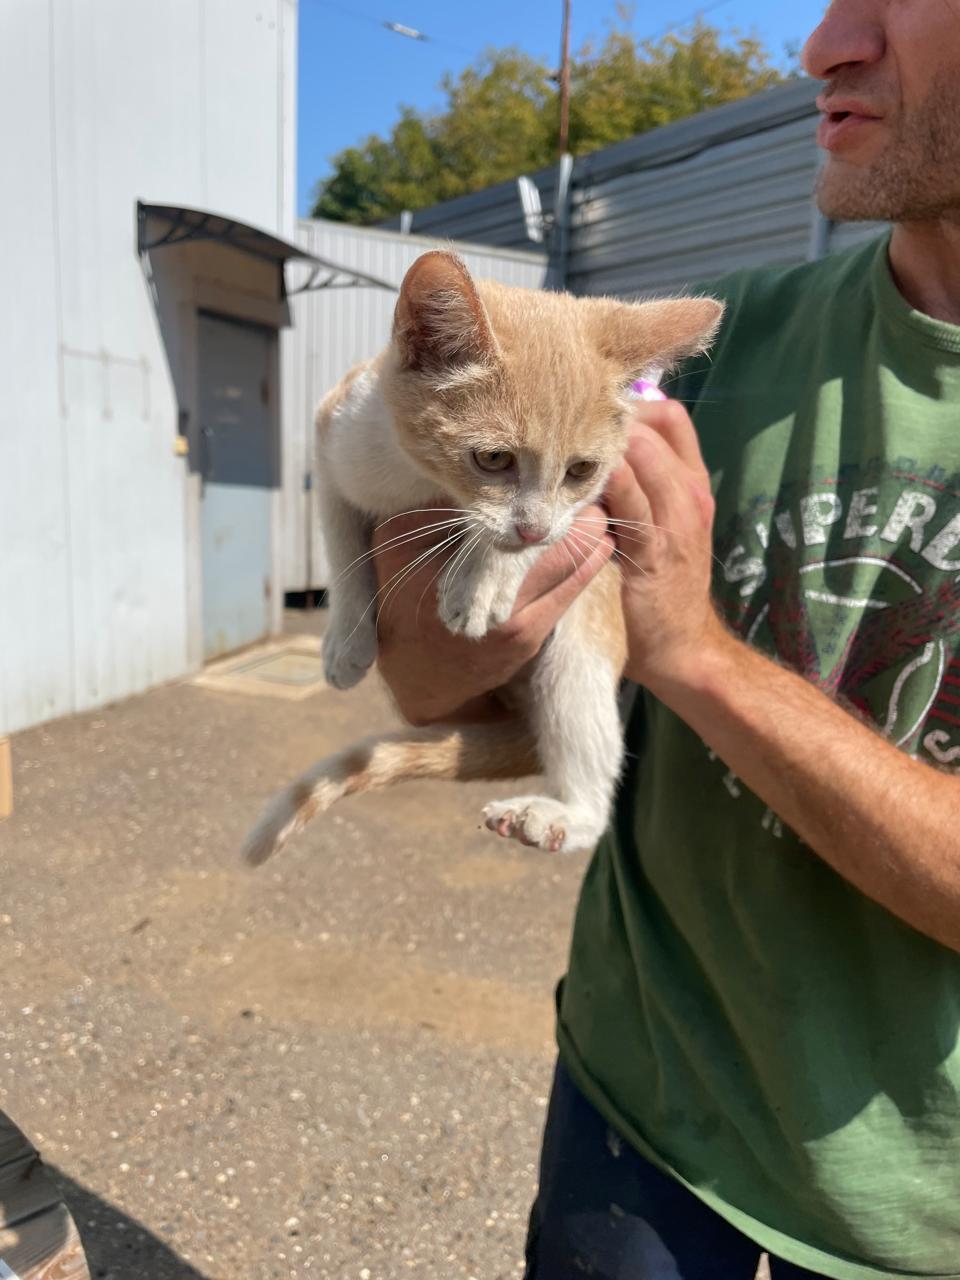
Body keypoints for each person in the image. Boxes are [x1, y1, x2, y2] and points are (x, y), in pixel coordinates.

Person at [372, 0, 960, 1275]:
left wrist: (688, 649)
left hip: (917, 1203)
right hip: (641, 1103)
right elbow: (423, 677)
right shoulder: (711, 339)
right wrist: (470, 590)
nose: (821, 48)